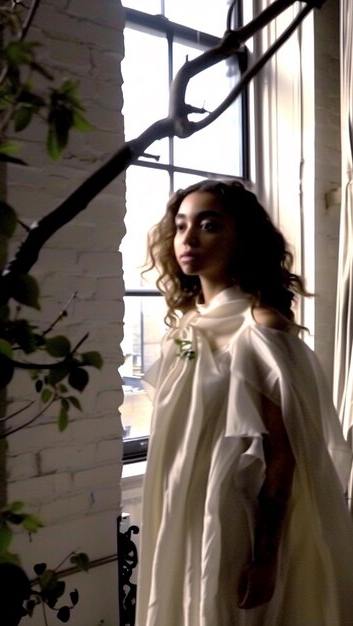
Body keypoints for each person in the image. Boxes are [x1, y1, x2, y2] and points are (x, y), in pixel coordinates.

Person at [135, 179, 353, 626]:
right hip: (179, 509)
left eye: (208, 225)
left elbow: (283, 456)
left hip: (231, 517)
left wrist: (266, 556)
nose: (188, 239)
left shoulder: (260, 328)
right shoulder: (187, 327)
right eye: (180, 226)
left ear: (242, 237)